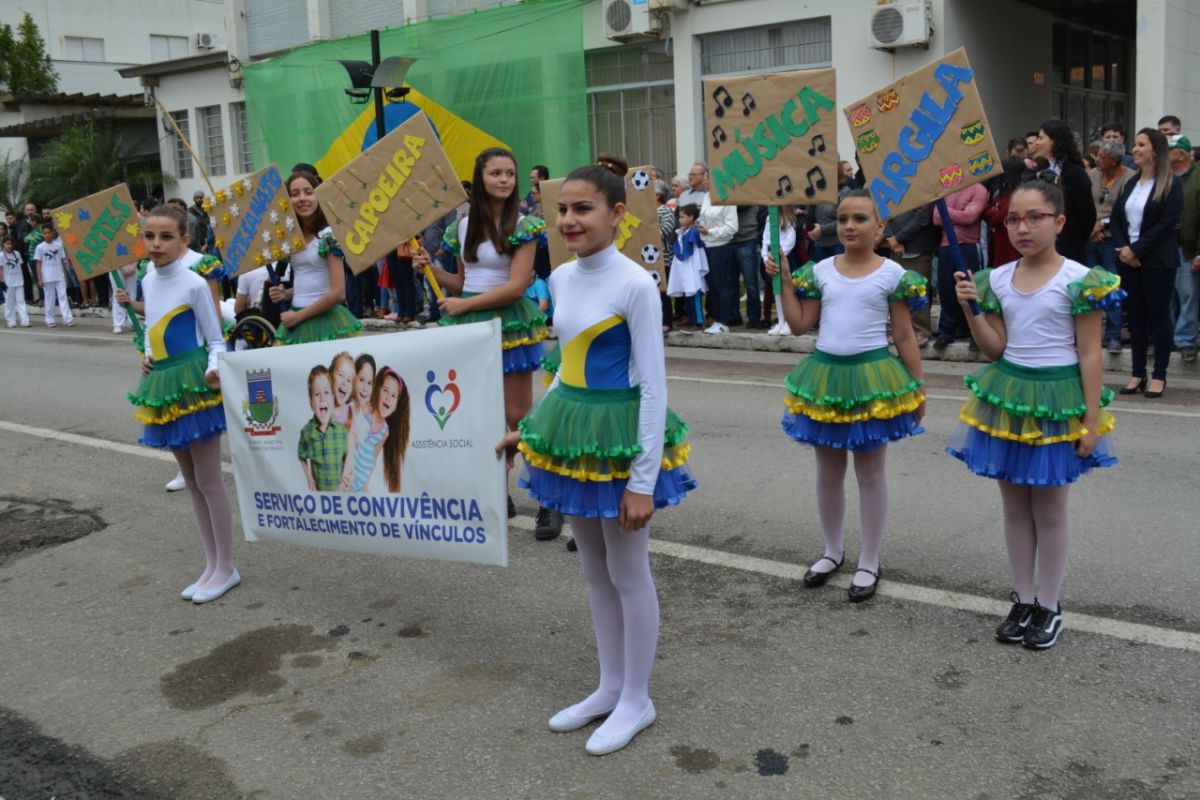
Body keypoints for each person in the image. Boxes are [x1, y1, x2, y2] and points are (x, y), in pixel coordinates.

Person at [500, 155, 696, 756]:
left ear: (617, 215)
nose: (569, 220)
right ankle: (609, 686)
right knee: (593, 572)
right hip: (571, 433)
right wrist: (530, 431)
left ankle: (638, 697)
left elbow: (654, 385)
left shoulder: (636, 284)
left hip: (619, 437)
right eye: (562, 209)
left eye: (583, 209)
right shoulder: (560, 278)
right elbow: (564, 369)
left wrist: (641, 481)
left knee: (629, 572)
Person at [947, 181, 1122, 649]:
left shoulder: (1080, 279)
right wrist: (971, 309)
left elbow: (1089, 355)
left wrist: (1089, 418)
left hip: (1057, 403)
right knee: (1014, 506)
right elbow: (995, 347)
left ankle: (1049, 604)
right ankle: (1023, 598)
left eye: (1034, 217)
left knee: (1049, 508)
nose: (1022, 228)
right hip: (1009, 398)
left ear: (1059, 222)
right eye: (1013, 220)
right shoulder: (997, 279)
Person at [765, 189, 927, 602]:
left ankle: (869, 560)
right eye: (843, 219)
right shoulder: (821, 270)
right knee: (828, 471)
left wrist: (918, 386)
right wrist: (784, 279)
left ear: (881, 225)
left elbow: (904, 334)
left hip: (873, 379)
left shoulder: (892, 275)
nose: (850, 226)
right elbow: (800, 324)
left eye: (860, 218)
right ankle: (832, 551)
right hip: (826, 378)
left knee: (870, 473)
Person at [417, 147, 549, 519]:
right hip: (470, 324)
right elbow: (461, 281)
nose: (505, 179)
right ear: (480, 178)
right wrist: (429, 269)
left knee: (518, 414)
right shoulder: (462, 225)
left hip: (508, 323)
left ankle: (547, 498)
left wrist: (464, 304)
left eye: (510, 173)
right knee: (480, 415)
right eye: (496, 173)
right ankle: (496, 491)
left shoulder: (523, 225)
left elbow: (517, 286)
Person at [128, 205, 238, 603]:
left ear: (184, 240)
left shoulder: (193, 283)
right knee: (191, 481)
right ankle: (211, 564)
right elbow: (151, 330)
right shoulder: (148, 281)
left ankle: (226, 567)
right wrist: (146, 354)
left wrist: (212, 370)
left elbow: (215, 339)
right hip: (163, 381)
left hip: (193, 383)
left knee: (209, 480)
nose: (156, 244)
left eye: (166, 237)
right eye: (150, 236)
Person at [1111, 128, 1184, 398]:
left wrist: (1137, 250)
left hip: (1157, 261)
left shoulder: (1171, 183)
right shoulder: (1132, 183)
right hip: (1128, 260)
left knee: (1159, 316)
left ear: (1155, 150)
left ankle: (1160, 375)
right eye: (1135, 144)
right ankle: (1137, 373)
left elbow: (1167, 225)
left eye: (1141, 144)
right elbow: (1117, 218)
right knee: (1137, 319)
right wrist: (1124, 249)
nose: (1135, 149)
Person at [269, 170, 362, 344]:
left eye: (309, 192)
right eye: (294, 194)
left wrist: (298, 317)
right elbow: (311, 281)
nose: (302, 198)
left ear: (318, 196)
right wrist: (286, 294)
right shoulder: (292, 239)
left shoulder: (328, 235)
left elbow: (338, 293)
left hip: (326, 321)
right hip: (296, 321)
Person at [1086, 140, 1136, 353]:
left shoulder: (1130, 177)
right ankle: (1092, 335)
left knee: (1112, 286)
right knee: (1092, 287)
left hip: (1113, 239)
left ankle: (1114, 336)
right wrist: (1091, 226)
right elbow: (1086, 203)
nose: (1097, 159)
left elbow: (1125, 210)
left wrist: (1102, 224)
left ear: (1114, 160)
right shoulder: (1093, 175)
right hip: (1091, 237)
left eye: (1102, 156)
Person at [932, 182, 988, 349]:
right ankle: (946, 332)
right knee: (946, 290)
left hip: (968, 245)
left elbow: (971, 217)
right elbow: (936, 218)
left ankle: (975, 334)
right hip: (946, 246)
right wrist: (959, 214)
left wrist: (946, 212)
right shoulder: (945, 188)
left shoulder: (979, 189)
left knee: (971, 289)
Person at [1031, 120, 1096, 263]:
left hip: (1068, 245)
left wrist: (1073, 237)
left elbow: (1088, 214)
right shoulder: (1044, 169)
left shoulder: (1074, 171)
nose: (1037, 143)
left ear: (1055, 140)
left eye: (1041, 138)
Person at [884, 202, 937, 346]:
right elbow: (884, 212)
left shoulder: (921, 186)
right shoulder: (892, 188)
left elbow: (921, 218)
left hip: (917, 246)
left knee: (918, 291)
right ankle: (900, 331)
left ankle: (921, 330)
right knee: (898, 291)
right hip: (895, 248)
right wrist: (891, 238)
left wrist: (899, 238)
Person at [1168, 135, 1200, 363]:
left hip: (1188, 248)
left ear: (1180, 154)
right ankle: (1167, 337)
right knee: (1166, 295)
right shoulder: (1166, 178)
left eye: (1168, 151)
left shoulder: (1198, 178)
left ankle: (1185, 340)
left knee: (1188, 295)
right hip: (1165, 247)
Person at [298, 365, 349, 492]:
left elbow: (348, 456)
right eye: (316, 394)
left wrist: (344, 480)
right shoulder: (307, 432)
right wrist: (309, 477)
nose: (322, 398)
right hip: (320, 497)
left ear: (332, 398)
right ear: (311, 403)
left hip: (339, 495)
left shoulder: (341, 431)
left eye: (326, 392)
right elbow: (301, 455)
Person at [666, 203, 708, 332]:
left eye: (682, 217)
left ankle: (699, 322)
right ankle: (691, 319)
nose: (680, 220)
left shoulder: (694, 232)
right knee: (687, 295)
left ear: (691, 217)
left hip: (692, 267)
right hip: (684, 268)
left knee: (694, 294)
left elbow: (693, 251)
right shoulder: (683, 232)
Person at [763, 205, 798, 336]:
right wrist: (766, 257)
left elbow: (790, 241)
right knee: (776, 291)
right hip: (772, 259)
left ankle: (790, 321)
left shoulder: (789, 219)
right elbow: (765, 239)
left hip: (785, 259)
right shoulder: (769, 219)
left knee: (788, 291)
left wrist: (779, 254)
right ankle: (781, 321)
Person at [34, 224, 74, 328]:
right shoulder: (40, 247)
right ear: (42, 234)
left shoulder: (58, 246)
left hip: (59, 274)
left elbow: (62, 261)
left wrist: (64, 275)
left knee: (63, 296)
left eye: (49, 233)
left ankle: (67, 319)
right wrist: (39, 278)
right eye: (45, 233)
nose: (47, 235)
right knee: (49, 298)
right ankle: (50, 319)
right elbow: (38, 263)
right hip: (47, 275)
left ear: (52, 233)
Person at [731, 205, 763, 328]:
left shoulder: (749, 196)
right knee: (731, 283)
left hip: (747, 240)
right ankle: (734, 316)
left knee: (750, 283)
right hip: (729, 240)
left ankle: (754, 317)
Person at [3, 236, 29, 327]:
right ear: (3, 244)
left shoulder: (17, 254)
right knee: (9, 302)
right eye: (7, 244)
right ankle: (11, 320)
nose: (9, 246)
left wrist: (22, 279)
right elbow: (1, 269)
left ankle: (25, 320)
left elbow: (20, 266)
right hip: (7, 282)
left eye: (11, 244)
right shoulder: (1, 255)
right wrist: (2, 282)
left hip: (18, 281)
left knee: (21, 301)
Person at [328, 351, 356, 428]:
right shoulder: (323, 408)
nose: (344, 383)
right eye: (341, 375)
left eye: (349, 380)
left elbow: (354, 438)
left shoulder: (349, 413)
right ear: (331, 375)